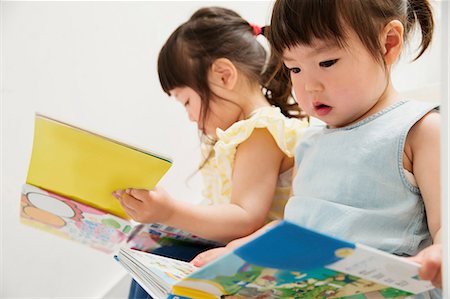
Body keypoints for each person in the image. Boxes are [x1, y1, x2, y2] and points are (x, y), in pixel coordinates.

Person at [192, 0, 443, 297]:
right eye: (294, 69)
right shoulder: (309, 144)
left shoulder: (421, 129)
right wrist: (236, 250)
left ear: (388, 44)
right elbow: (295, 226)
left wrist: (439, 255)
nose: (309, 87)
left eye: (327, 63)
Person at [112, 6, 308, 299]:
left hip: (265, 259)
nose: (190, 117)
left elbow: (245, 218)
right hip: (241, 251)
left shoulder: (260, 131)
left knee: (166, 264)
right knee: (154, 260)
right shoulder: (238, 134)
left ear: (224, 76)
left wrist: (170, 211)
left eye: (187, 101)